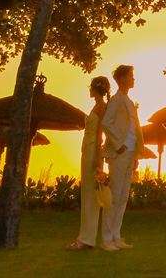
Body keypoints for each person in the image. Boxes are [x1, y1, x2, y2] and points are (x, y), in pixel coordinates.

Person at [99, 64, 144, 250]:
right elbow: (106, 123)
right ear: (123, 78)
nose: (134, 79)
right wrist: (119, 145)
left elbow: (134, 128)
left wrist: (135, 154)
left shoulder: (128, 100)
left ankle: (116, 236)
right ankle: (107, 239)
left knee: (123, 196)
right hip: (121, 153)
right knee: (114, 196)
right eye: (131, 76)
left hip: (131, 153)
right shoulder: (117, 100)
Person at [67, 76, 111, 251]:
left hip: (93, 149)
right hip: (87, 148)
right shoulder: (96, 106)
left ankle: (86, 239)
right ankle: (86, 237)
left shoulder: (101, 107)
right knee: (87, 192)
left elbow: (100, 133)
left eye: (91, 87)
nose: (89, 90)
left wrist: (96, 159)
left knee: (90, 194)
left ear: (96, 89)